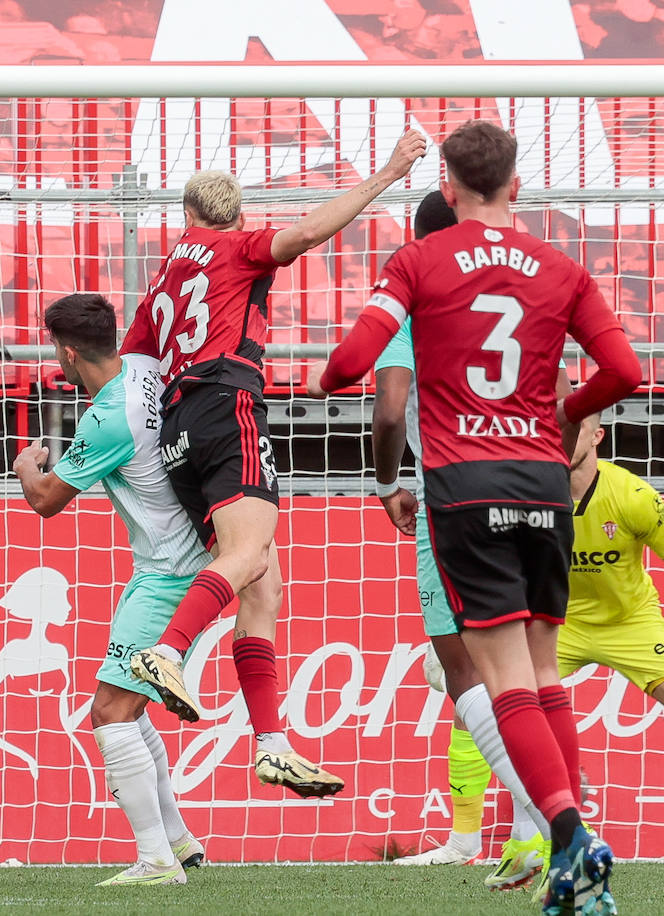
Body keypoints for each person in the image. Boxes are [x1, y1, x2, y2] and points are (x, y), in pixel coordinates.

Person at [307, 119, 642, 915]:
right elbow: (627, 370)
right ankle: (576, 852)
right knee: (545, 669)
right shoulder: (561, 267)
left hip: (465, 483)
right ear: (517, 186)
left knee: (502, 682)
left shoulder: (420, 259)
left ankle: (566, 834)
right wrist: (566, 408)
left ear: (448, 188)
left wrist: (326, 380)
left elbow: (356, 365)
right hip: (543, 483)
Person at [122, 129, 429, 798]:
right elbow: (306, 233)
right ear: (234, 218)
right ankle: (169, 650)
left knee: (262, 585)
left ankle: (272, 744)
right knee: (249, 559)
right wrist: (385, 174)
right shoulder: (239, 246)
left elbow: (132, 372)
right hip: (225, 404)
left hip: (176, 429)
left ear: (184, 216)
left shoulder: (161, 283)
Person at [410, 414, 664, 870]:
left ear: (597, 436)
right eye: (552, 427)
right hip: (554, 624)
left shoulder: (632, 495)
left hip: (632, 625)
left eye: (572, 428)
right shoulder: (523, 493)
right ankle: (462, 843)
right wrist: (459, 630)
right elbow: (486, 565)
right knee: (476, 706)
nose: (560, 436)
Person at [369, 190, 550, 886]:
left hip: (455, 494)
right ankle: (540, 820)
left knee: (462, 669)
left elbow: (389, 412)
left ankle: (545, 820)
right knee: (522, 668)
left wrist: (388, 482)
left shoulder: (411, 300)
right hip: (529, 487)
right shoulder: (514, 288)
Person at [13, 293, 208, 886]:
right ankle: (177, 841)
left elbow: (47, 502)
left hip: (169, 574)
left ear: (68, 353)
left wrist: (28, 465)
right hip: (175, 562)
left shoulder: (106, 417)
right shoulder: (145, 368)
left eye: (54, 350)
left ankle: (155, 862)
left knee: (110, 711)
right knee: (131, 707)